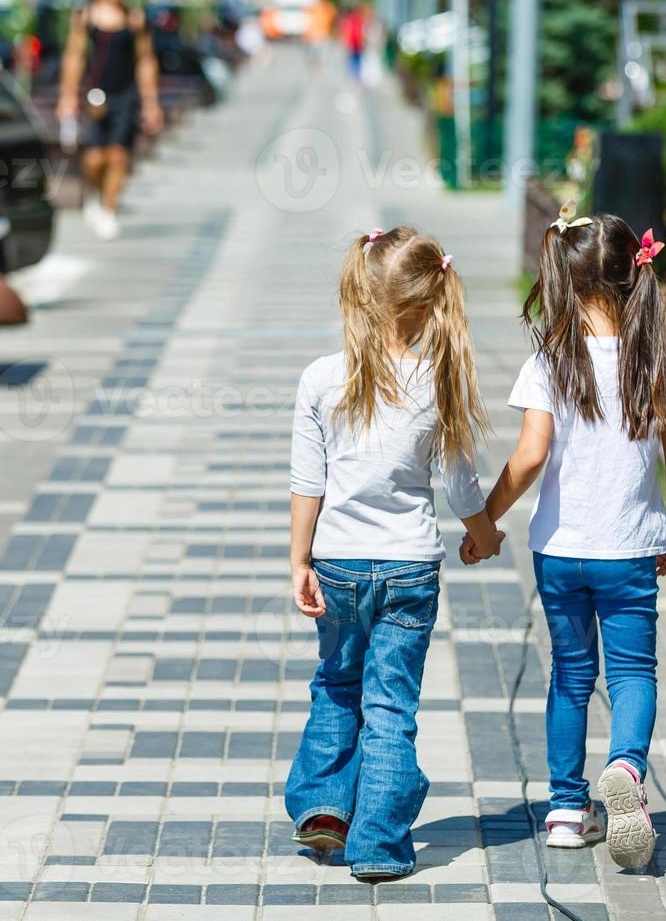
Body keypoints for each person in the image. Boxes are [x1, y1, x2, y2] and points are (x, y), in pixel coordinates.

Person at [470, 201, 666, 866]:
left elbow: (530, 456)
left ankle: (568, 810)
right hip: (630, 547)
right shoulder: (659, 359)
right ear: (634, 274)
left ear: (566, 282)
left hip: (561, 551)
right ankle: (625, 772)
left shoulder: (550, 359)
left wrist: (486, 519)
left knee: (571, 675)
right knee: (632, 673)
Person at [286, 226, 504, 881]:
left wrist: (299, 561)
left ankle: (326, 806)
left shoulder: (322, 378)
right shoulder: (442, 379)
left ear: (360, 292)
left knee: (336, 682)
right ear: (432, 297)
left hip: (339, 564)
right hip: (410, 567)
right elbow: (461, 484)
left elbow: (308, 482)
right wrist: (485, 533)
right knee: (390, 704)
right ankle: (378, 845)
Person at [57, 0, 163, 240]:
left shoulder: (134, 20)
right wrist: (67, 96)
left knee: (117, 156)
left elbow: (145, 60)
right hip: (95, 97)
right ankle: (95, 194)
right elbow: (74, 57)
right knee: (93, 160)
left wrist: (151, 101)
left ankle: (108, 209)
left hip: (126, 95)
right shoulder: (86, 18)